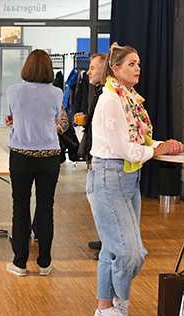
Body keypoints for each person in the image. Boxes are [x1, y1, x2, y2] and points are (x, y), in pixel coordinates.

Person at [87, 43, 184, 316]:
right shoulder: (111, 101)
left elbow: (137, 141)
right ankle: (119, 303)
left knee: (111, 250)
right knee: (132, 252)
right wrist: (157, 150)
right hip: (110, 176)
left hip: (128, 178)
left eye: (139, 63)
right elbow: (124, 149)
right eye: (131, 64)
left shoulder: (129, 99)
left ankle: (104, 310)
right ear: (115, 70)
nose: (138, 68)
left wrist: (162, 146)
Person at [3, 49, 62, 277]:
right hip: (49, 155)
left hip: (20, 154)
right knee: (46, 208)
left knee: (20, 208)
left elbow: (15, 115)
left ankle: (19, 264)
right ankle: (45, 263)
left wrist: (17, 120)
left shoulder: (13, 91)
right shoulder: (56, 93)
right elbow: (54, 118)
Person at [80, 52, 107, 257]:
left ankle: (109, 247)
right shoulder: (99, 92)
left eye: (93, 67)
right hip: (95, 157)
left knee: (102, 202)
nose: (88, 71)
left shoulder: (108, 96)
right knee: (96, 201)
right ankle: (106, 240)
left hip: (103, 161)